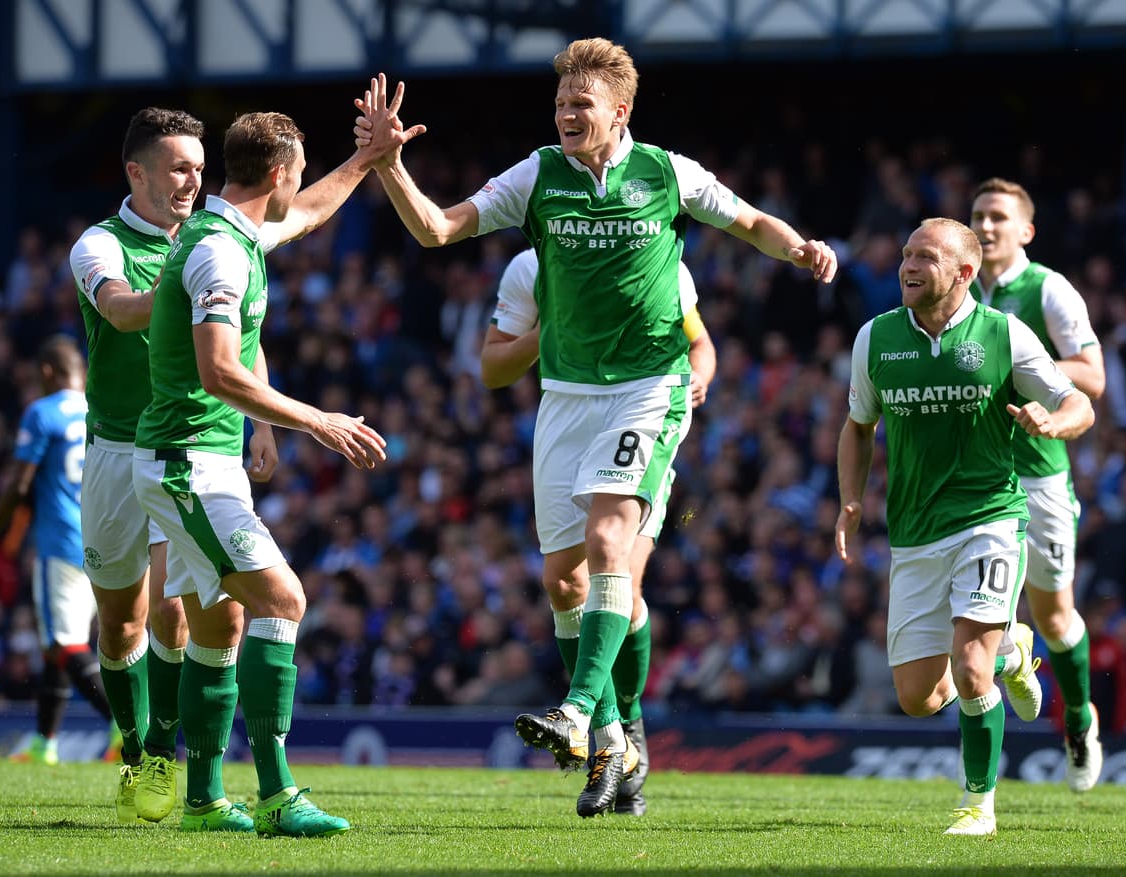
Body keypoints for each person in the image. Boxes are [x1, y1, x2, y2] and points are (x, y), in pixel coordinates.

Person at [354, 38, 836, 817]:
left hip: (649, 387)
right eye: (559, 105)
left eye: (581, 104)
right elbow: (439, 230)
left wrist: (800, 249)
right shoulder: (538, 175)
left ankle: (580, 711)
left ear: (621, 111)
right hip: (566, 398)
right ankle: (618, 740)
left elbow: (747, 220)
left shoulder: (666, 173)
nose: (566, 115)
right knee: (565, 581)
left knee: (612, 540)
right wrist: (389, 166)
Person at [131, 106, 395, 836]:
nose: (299, 187)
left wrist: (367, 160)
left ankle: (203, 800)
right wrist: (315, 420)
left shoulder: (234, 233)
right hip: (187, 463)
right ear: (277, 173)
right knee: (283, 600)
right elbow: (218, 371)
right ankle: (279, 795)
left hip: (201, 458)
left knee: (220, 627)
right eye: (298, 173)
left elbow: (306, 214)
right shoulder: (220, 253)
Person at [835, 217, 1095, 836]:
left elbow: (1078, 402)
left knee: (970, 666)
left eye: (925, 257)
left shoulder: (1003, 333)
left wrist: (1055, 423)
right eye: (906, 254)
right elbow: (858, 427)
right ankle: (1014, 652)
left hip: (990, 518)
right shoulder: (875, 338)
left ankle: (978, 805)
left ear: (963, 273)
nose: (908, 266)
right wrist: (849, 500)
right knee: (917, 698)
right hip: (915, 532)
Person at [480, 249, 717, 816]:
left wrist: (699, 379)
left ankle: (613, 721)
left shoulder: (653, 255)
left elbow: (700, 343)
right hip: (569, 420)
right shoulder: (530, 268)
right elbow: (492, 368)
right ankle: (615, 741)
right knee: (565, 585)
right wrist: (549, 329)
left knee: (618, 576)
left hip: (642, 415)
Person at [69, 107, 208, 825]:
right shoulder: (98, 244)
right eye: (179, 168)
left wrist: (264, 422)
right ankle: (131, 744)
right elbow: (122, 312)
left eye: (199, 168)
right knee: (121, 625)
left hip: (178, 446)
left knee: (173, 604)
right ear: (138, 173)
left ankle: (160, 751)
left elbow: (237, 329)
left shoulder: (211, 240)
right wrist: (186, 291)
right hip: (112, 451)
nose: (192, 181)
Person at [969, 177, 1106, 792]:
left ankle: (1078, 718)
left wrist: (1023, 366)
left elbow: (1094, 377)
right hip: (979, 476)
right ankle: (978, 782)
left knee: (1054, 618)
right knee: (977, 612)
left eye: (998, 216)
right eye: (978, 215)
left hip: (1041, 473)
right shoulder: (957, 288)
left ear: (1025, 230)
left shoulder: (1048, 289)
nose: (986, 225)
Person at [0, 336, 115, 765]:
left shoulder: (43, 412)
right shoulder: (101, 408)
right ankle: (43, 743)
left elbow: (20, 484)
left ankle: (125, 726)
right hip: (105, 542)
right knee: (58, 646)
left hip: (61, 542)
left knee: (65, 643)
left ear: (48, 372)